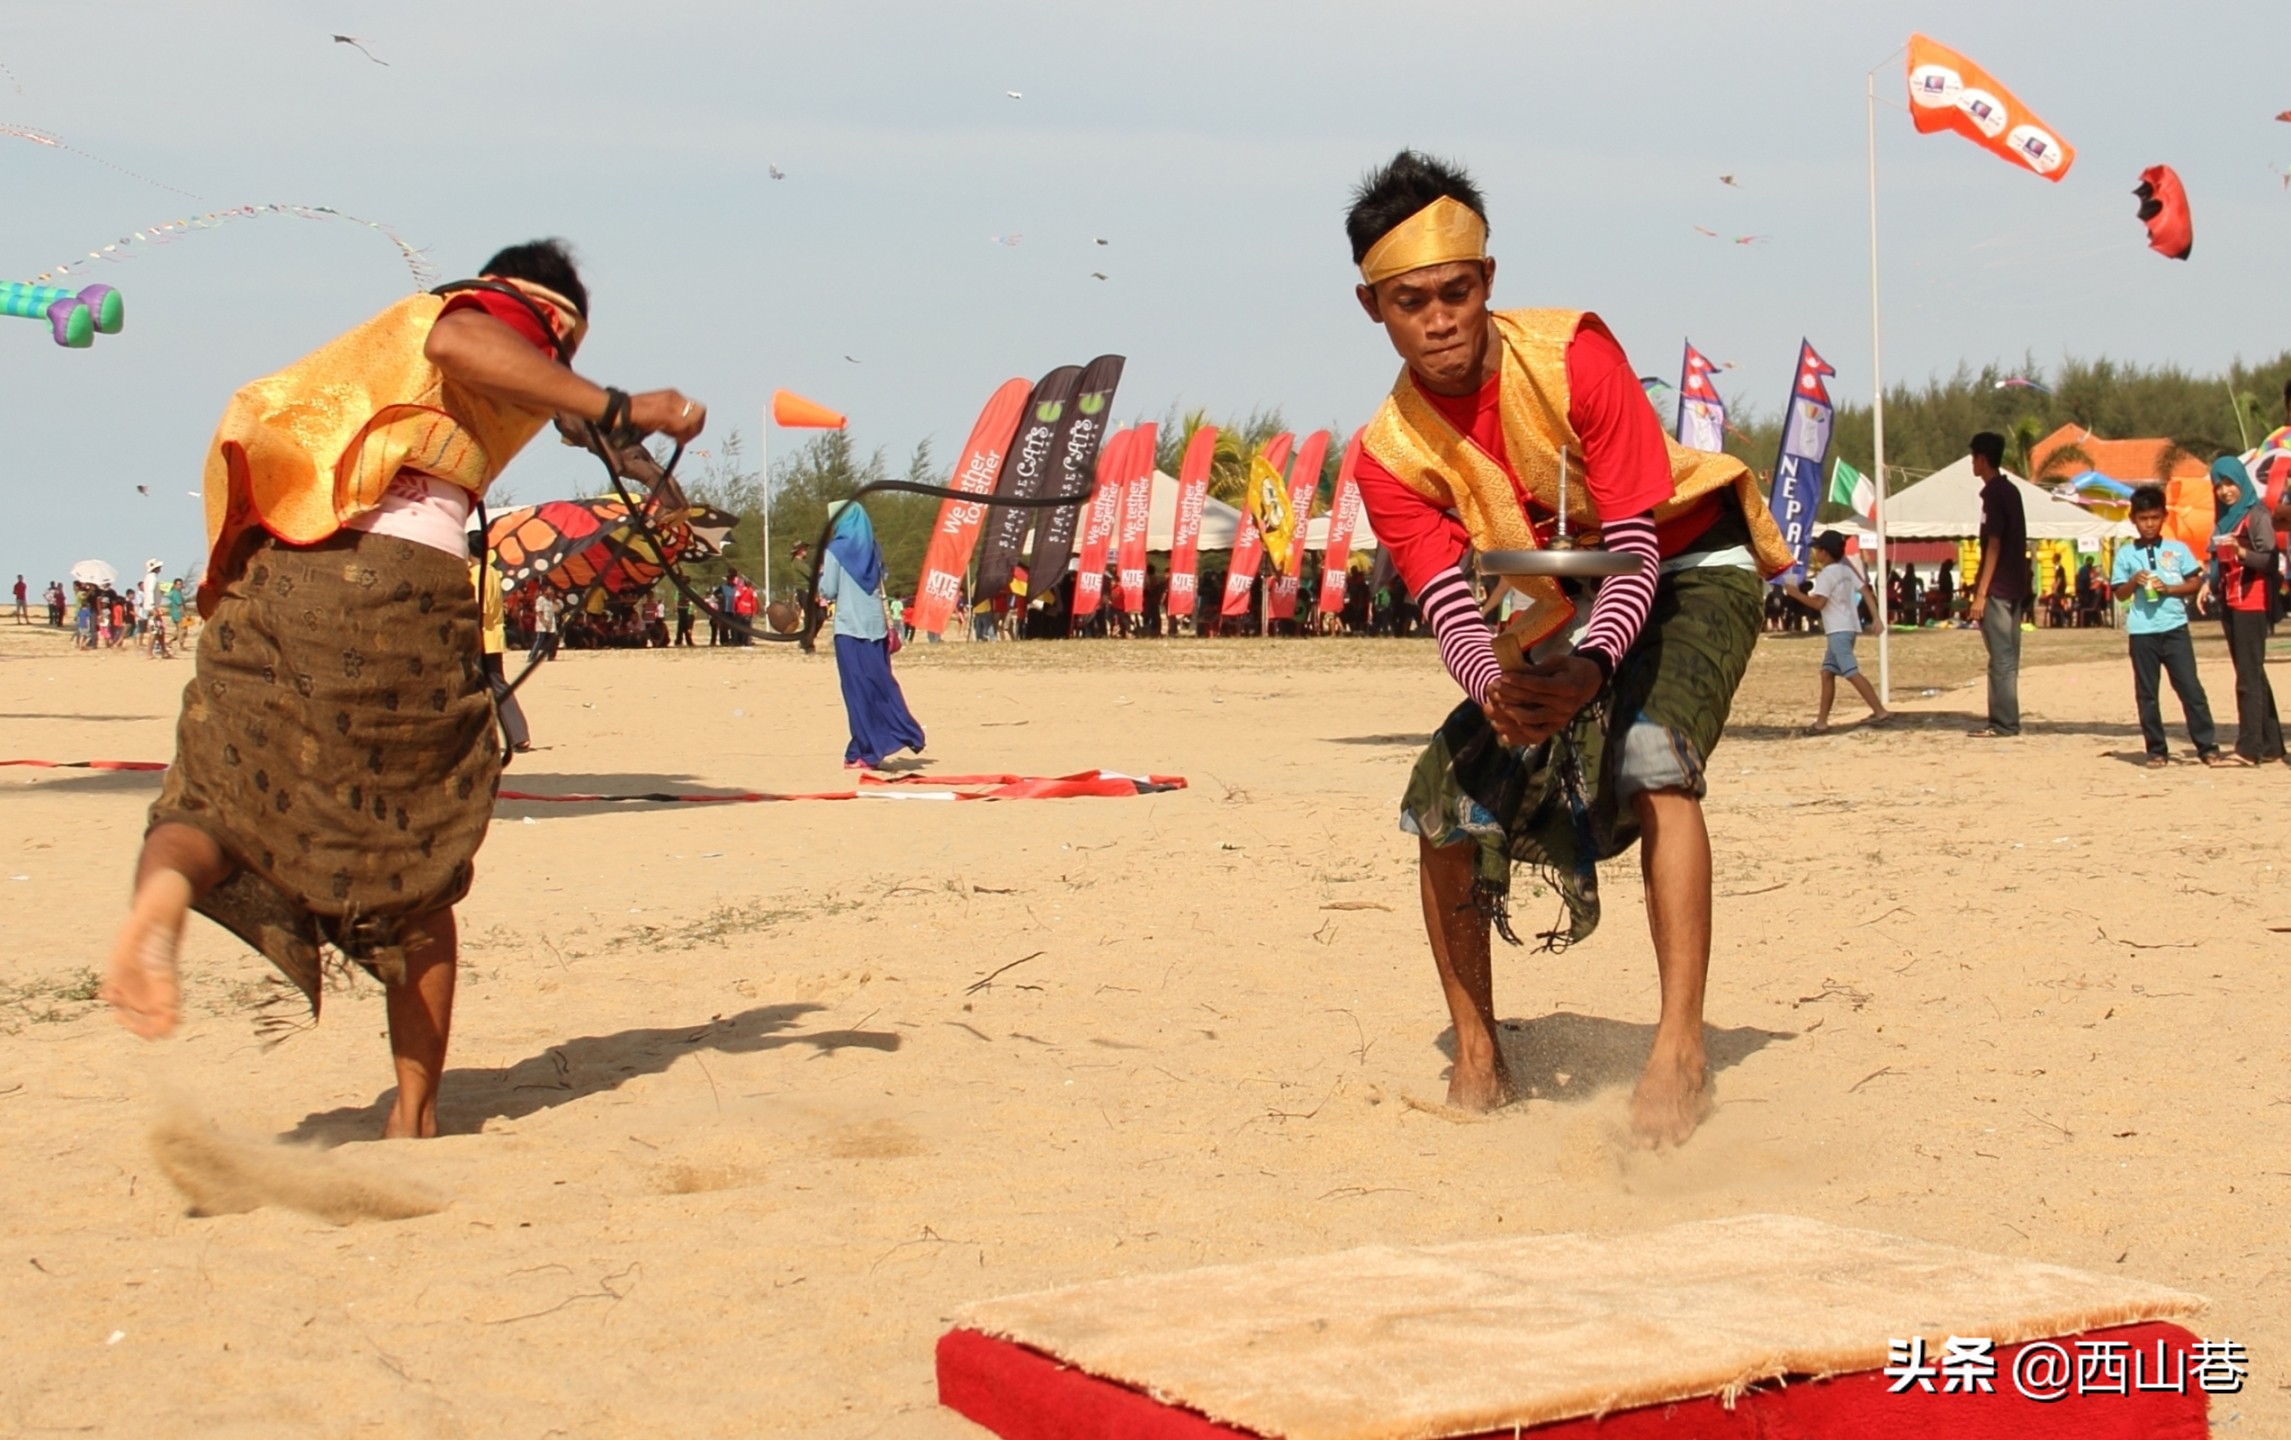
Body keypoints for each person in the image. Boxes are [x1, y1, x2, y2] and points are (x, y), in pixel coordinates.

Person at [102, 238, 707, 1139]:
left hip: (277, 577)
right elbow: (461, 345)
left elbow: (565, 413)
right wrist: (630, 402)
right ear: (547, 314)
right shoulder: (480, 317)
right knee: (421, 860)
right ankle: (414, 1113)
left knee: (212, 797)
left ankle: (158, 906)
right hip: (392, 587)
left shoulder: (405, 352)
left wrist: (630, 442)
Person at [1342, 152, 1794, 1146]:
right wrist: (1497, 691)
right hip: (1561, 595)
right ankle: (1477, 1056)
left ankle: (1678, 1049)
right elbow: (1450, 607)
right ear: (1371, 307)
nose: (1440, 320)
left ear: (1487, 280)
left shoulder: (1572, 356)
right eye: (1411, 302)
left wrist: (1590, 671)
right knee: (1441, 799)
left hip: (1688, 560)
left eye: (1457, 292)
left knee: (1653, 758)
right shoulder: (1386, 454)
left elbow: (1634, 544)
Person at [2111, 487, 2220, 768]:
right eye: (2143, 518)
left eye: (2154, 517)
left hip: (2174, 628)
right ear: (2133, 519)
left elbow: (2194, 582)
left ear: (2164, 517)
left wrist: (2169, 589)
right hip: (2142, 631)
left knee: (2190, 689)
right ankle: (2156, 750)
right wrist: (2134, 581)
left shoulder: (2177, 549)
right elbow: (2119, 594)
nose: (2149, 524)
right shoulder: (2125, 554)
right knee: (2147, 693)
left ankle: (2207, 746)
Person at [818, 500, 925, 769]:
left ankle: (867, 751)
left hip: (849, 629)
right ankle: (868, 746)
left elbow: (828, 589)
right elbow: (880, 580)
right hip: (876, 628)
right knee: (878, 685)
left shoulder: (836, 550)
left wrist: (821, 575)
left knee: (856, 691)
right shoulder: (874, 549)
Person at [2203, 455, 2283, 766]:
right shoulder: (2224, 518)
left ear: (2241, 482)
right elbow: (2217, 561)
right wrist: (2207, 584)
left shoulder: (2256, 514)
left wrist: (2241, 551)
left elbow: (2269, 560)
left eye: (2230, 483)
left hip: (2253, 602)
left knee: (2247, 678)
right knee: (2252, 672)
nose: (2225, 491)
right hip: (2230, 601)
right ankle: (2272, 745)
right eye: (2219, 486)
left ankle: (2248, 748)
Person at [1784, 532, 1892, 731]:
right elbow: (1866, 591)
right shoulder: (1846, 571)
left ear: (1825, 553)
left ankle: (1880, 711)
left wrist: (1795, 594)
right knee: (1827, 672)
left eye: (1818, 549)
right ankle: (1821, 722)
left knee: (1851, 672)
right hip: (1849, 627)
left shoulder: (1826, 575)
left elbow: (1819, 603)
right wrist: (1876, 617)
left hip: (1837, 629)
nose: (1816, 553)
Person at [1966, 432, 2026, 736]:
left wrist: (1981, 593)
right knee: (2009, 657)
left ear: (1982, 459)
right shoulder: (2011, 490)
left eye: (1973, 458)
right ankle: (2007, 719)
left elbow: (1994, 544)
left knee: (2001, 658)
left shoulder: (1994, 493)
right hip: (2015, 585)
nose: (1972, 464)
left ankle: (2003, 723)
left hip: (1998, 588)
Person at [529, 587, 562, 663]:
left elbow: (557, 610)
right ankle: (532, 656)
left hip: (551, 624)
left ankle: (551, 656)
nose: (552, 591)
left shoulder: (551, 600)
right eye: (550, 589)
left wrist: (554, 601)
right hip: (542, 624)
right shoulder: (541, 599)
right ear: (545, 591)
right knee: (539, 640)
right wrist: (543, 621)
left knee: (553, 640)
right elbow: (539, 611)